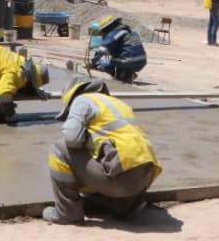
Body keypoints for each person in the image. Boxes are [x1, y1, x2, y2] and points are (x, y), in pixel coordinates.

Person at [44, 79, 161, 224]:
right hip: (144, 179)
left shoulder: (81, 100)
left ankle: (67, 212)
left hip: (121, 180)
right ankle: (123, 205)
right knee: (100, 155)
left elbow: (72, 138)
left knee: (60, 149)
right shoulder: (118, 104)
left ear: (71, 97)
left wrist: (84, 139)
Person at [87, 15, 147, 83]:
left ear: (107, 28)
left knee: (101, 63)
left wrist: (93, 62)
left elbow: (102, 50)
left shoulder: (113, 34)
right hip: (141, 61)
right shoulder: (131, 31)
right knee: (115, 58)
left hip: (127, 61)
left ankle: (122, 76)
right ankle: (129, 73)